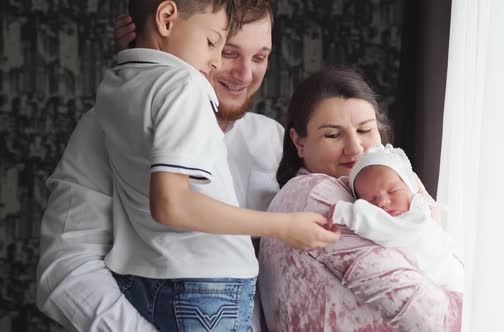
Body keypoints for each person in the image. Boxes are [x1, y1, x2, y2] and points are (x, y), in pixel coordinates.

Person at [36, 1, 339, 331]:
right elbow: (64, 270)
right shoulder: (108, 128)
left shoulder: (274, 139)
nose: (245, 74)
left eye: (259, 57)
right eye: (223, 49)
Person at [258, 67, 463, 331]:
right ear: (298, 142)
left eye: (365, 130)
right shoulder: (320, 195)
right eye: (333, 135)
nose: (355, 147)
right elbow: (427, 314)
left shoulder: (358, 196)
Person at [329, 143, 464, 293]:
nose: (383, 202)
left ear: (410, 188)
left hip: (450, 281)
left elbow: (386, 228)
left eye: (393, 191)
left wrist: (347, 213)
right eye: (370, 200)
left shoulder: (417, 216)